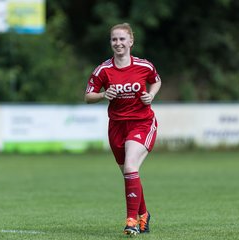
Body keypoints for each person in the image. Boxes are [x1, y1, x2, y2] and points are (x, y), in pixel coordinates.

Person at [84, 23, 161, 236]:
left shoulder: (144, 66)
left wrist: (151, 95)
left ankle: (131, 221)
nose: (118, 43)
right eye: (114, 39)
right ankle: (144, 214)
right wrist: (102, 95)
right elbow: (88, 96)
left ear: (131, 42)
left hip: (142, 123)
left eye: (122, 39)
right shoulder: (103, 70)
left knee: (129, 167)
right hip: (117, 127)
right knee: (129, 173)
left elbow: (156, 81)